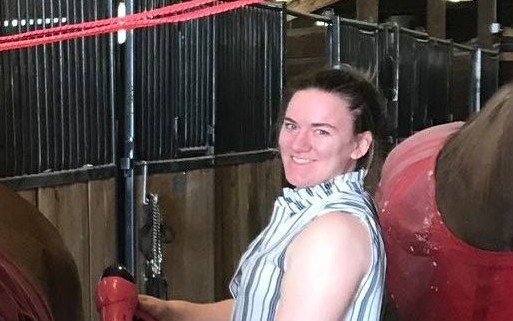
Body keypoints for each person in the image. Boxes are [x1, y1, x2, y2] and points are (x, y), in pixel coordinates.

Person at [136, 66, 388, 321]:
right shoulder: (310, 212)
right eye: (291, 126)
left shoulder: (333, 233)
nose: (298, 144)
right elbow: (257, 308)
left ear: (359, 145)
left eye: (321, 131)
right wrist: (171, 313)